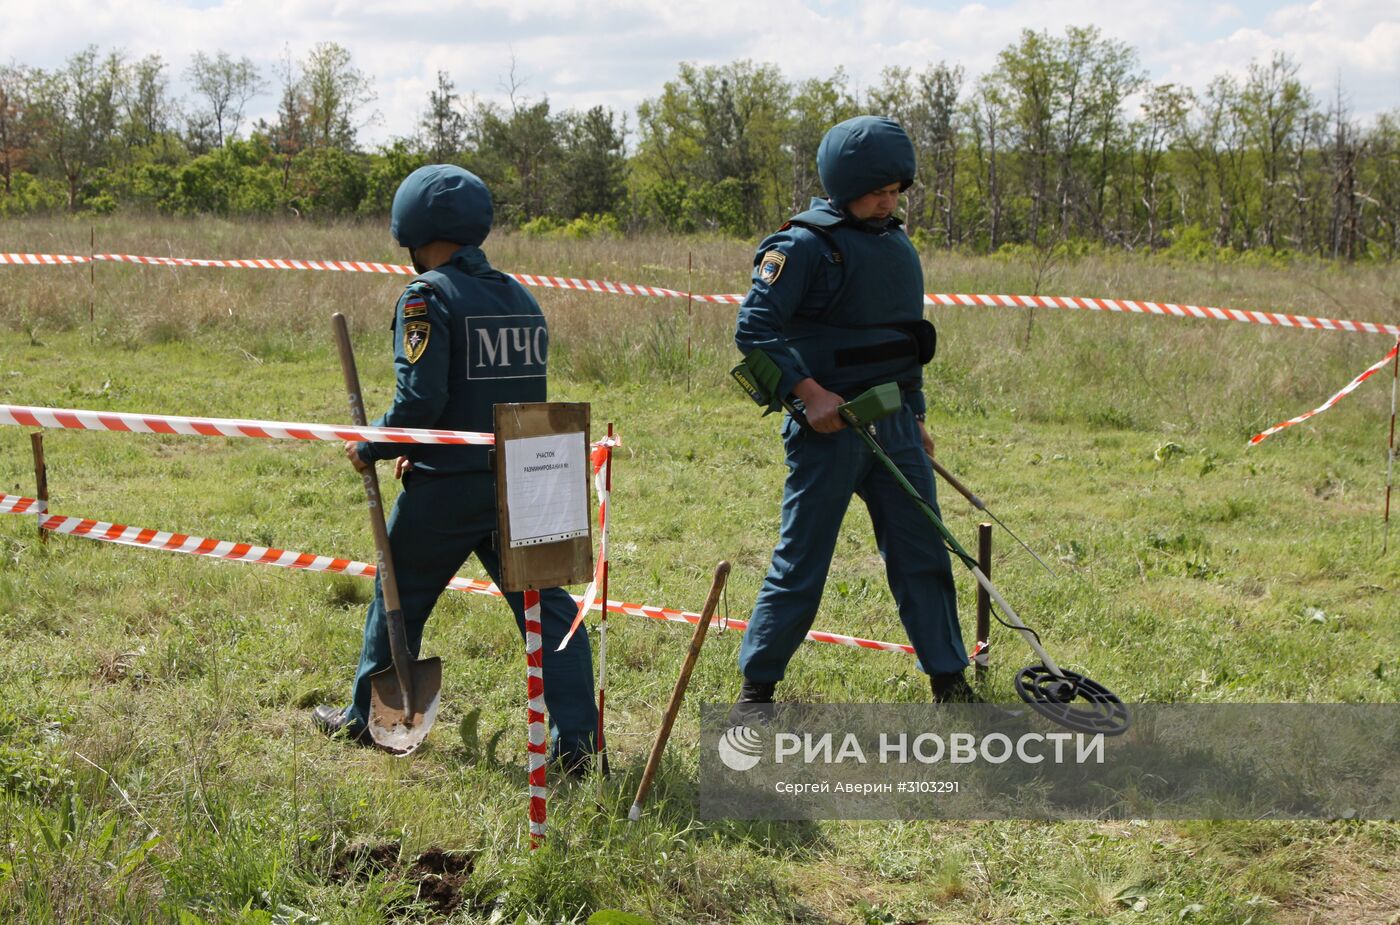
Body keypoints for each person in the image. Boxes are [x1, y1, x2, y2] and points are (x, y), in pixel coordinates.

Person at [312, 164, 598, 771]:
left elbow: (420, 402)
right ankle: (578, 743)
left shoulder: (426, 297)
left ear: (411, 227)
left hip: (448, 486)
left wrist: (374, 445)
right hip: (522, 479)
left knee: (400, 595)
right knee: (548, 610)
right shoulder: (520, 295)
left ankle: (365, 720)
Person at [732, 115, 981, 712]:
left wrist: (917, 417)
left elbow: (907, 342)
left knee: (923, 550)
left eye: (896, 191)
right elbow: (754, 327)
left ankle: (948, 680)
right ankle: (757, 688)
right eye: (878, 191)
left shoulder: (897, 245)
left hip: (893, 424)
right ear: (844, 183)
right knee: (803, 561)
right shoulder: (800, 245)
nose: (888, 202)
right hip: (830, 431)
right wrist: (810, 395)